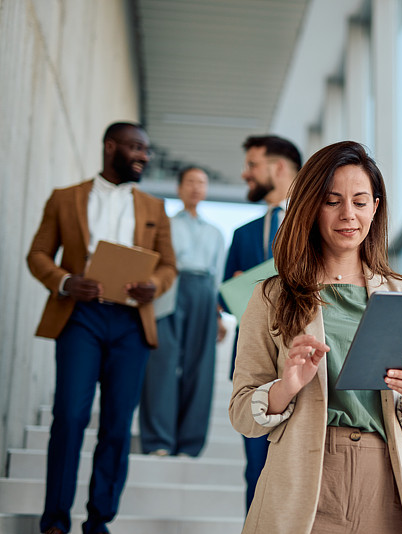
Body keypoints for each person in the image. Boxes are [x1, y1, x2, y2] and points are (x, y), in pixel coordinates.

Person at [229, 141, 402, 534]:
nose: (348, 215)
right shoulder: (271, 296)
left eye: (360, 202)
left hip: (387, 480)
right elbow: (242, 411)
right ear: (311, 206)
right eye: (332, 201)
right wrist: (285, 387)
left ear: (375, 208)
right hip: (305, 480)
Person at [27, 122, 177, 534]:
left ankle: (98, 521)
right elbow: (38, 254)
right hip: (80, 317)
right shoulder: (64, 199)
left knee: (115, 425)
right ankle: (55, 521)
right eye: (135, 148)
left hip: (130, 323)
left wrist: (154, 286)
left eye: (146, 149)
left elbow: (168, 265)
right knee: (70, 416)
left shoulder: (155, 208)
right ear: (110, 147)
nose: (143, 156)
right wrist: (64, 281)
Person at [222, 134, 302, 512]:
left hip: (305, 360)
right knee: (256, 468)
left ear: (279, 167)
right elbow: (224, 297)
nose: (245, 173)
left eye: (252, 165)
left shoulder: (317, 225)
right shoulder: (242, 235)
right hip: (255, 362)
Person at [139, 166, 226, 457]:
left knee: (200, 368)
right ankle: (158, 441)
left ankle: (190, 444)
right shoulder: (166, 224)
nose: (195, 188)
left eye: (201, 183)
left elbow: (218, 277)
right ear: (179, 188)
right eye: (190, 182)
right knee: (161, 364)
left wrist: (217, 315)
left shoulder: (215, 232)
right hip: (170, 290)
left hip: (204, 293)